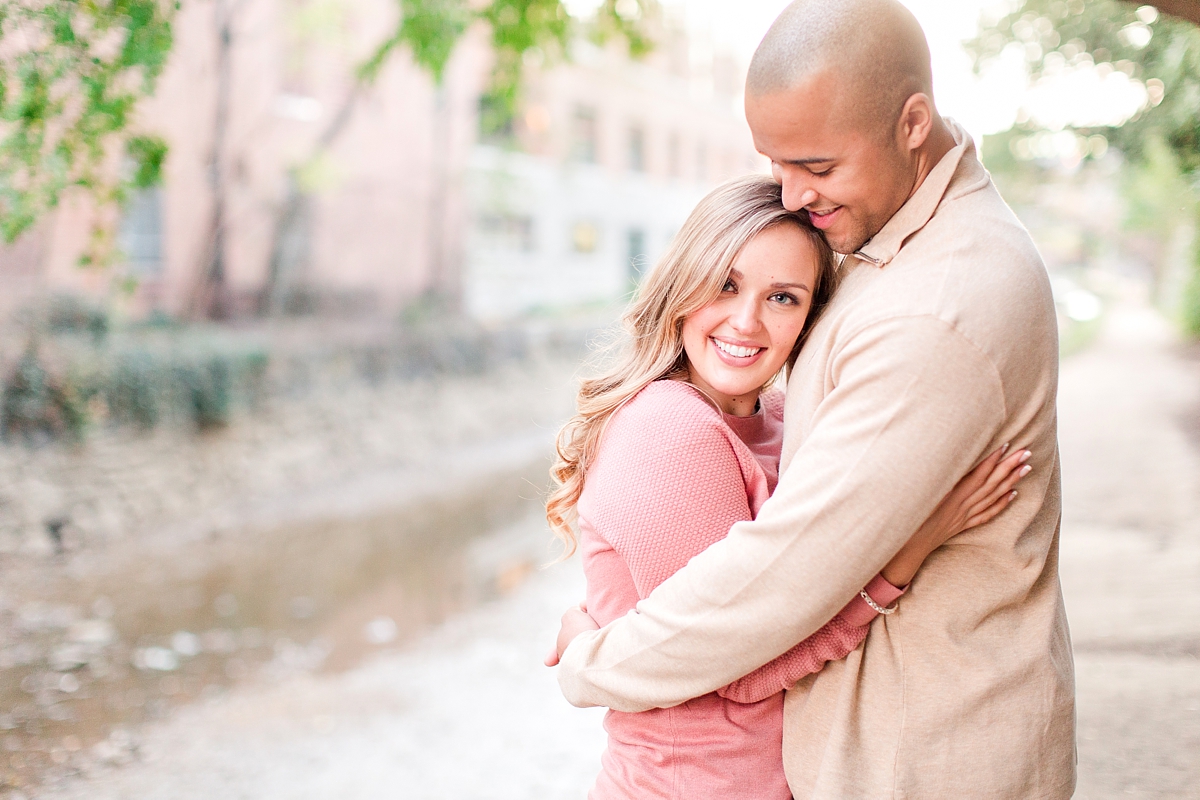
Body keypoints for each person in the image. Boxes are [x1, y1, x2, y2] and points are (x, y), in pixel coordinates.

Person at [551, 1, 1076, 797]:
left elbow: (768, 593)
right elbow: (741, 618)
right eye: (775, 164)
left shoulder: (936, 304)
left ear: (911, 124)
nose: (793, 195)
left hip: (922, 761)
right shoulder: (881, 242)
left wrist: (597, 658)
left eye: (819, 168)